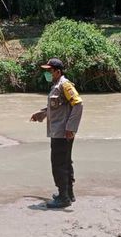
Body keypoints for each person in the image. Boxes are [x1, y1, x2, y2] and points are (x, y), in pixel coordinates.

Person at [30, 58, 84, 209]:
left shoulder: (64, 85)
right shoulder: (56, 86)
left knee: (58, 164)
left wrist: (70, 128)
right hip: (60, 131)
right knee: (65, 162)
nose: (47, 73)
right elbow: (56, 107)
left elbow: (78, 104)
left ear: (58, 71)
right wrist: (41, 114)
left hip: (62, 132)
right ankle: (69, 194)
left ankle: (63, 197)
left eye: (50, 71)